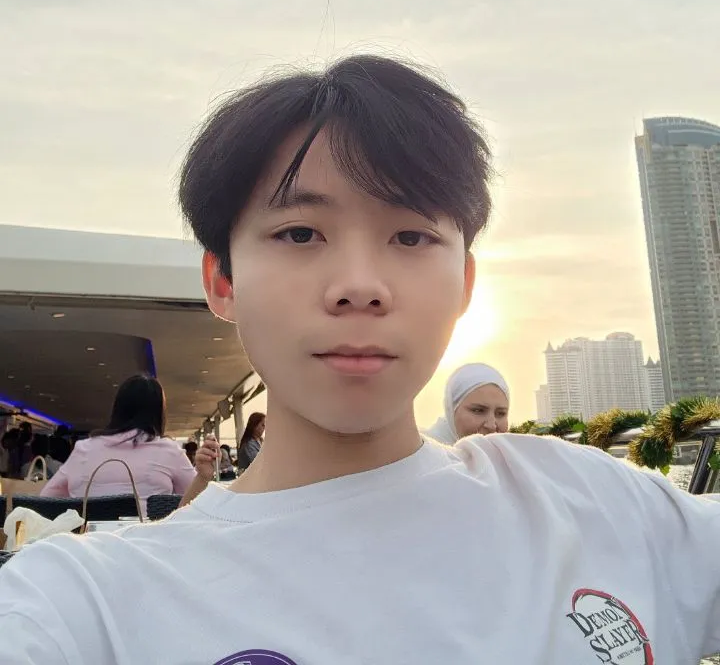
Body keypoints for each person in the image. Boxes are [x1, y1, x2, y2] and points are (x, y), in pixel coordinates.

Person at [2, 55, 720, 664]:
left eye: (410, 237)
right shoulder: (86, 607)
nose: (359, 286)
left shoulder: (588, 500)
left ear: (465, 284)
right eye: (300, 233)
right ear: (222, 281)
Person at [37, 374, 196, 514]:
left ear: (118, 408)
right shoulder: (168, 451)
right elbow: (199, 501)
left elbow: (46, 500)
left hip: (87, 537)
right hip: (146, 537)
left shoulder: (83, 449)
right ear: (158, 412)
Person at [425, 363, 509, 444]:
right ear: (451, 411)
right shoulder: (424, 451)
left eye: (501, 413)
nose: (492, 426)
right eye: (478, 410)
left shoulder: (505, 452)